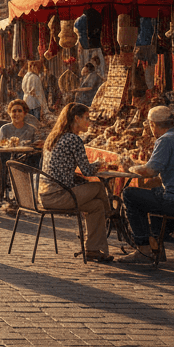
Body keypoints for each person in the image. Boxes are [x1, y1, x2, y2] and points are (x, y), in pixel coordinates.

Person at [119, 105, 174, 266]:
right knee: (155, 193)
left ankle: (143, 249)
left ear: (153, 125)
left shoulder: (165, 140)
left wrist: (132, 167)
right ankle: (157, 248)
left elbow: (151, 170)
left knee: (129, 194)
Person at [38, 103, 114, 263]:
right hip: (58, 196)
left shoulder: (54, 136)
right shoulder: (73, 139)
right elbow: (87, 170)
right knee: (98, 186)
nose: (88, 122)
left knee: (96, 206)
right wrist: (99, 163)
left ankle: (93, 248)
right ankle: (112, 216)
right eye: (86, 118)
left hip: (45, 195)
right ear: (76, 118)